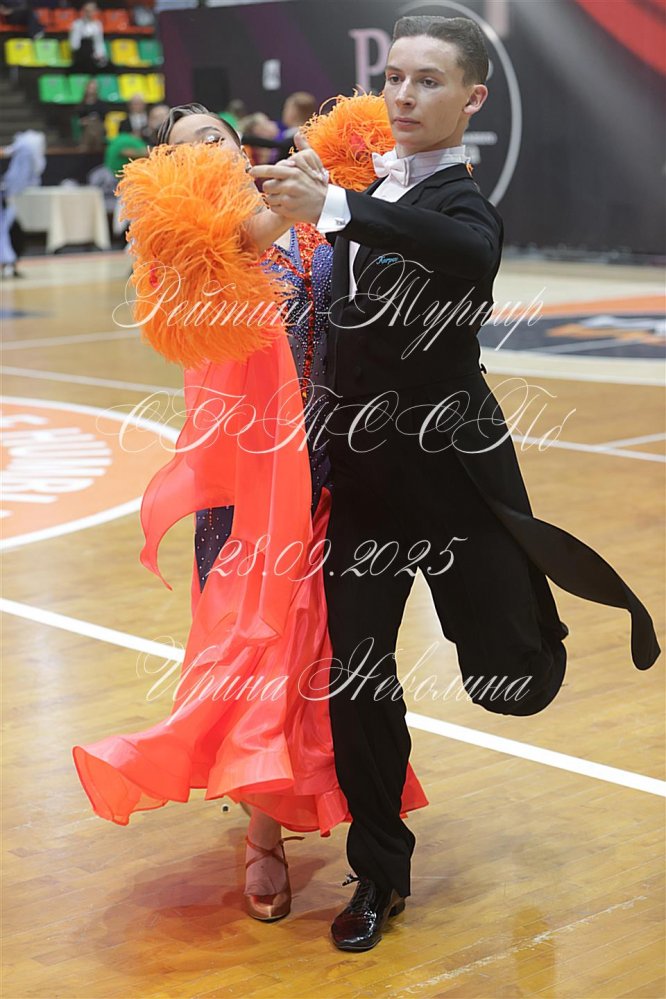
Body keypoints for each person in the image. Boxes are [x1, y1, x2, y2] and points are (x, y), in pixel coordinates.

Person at [252, 14, 661, 952]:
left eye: (428, 81)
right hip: (363, 490)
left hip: (454, 486)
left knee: (513, 678)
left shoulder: (458, 207)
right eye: (394, 77)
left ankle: (530, 630)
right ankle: (378, 875)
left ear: (473, 98)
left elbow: (467, 254)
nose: (403, 95)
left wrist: (339, 206)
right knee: (357, 684)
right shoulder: (360, 192)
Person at [72, 103, 427, 923]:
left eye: (221, 136)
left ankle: (358, 810)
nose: (215, 148)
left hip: (340, 467)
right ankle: (264, 835)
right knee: (260, 658)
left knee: (334, 653)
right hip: (248, 490)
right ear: (165, 169)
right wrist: (312, 191)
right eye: (192, 143)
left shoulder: (302, 218)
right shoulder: (178, 240)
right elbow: (238, 242)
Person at [0, 129, 46, 278]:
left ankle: (8, 263)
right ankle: (8, 262)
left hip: (9, 197)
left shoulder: (24, 151)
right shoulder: (25, 151)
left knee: (8, 231)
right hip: (10, 195)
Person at [69, 1, 107, 74]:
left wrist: (99, 55)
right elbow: (74, 45)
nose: (89, 13)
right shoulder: (77, 24)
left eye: (91, 11)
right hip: (80, 54)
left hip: (93, 55)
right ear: (83, 11)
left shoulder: (98, 24)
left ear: (95, 11)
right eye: (87, 11)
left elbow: (99, 42)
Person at [76, 79, 106, 151]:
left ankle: (85, 146)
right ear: (86, 88)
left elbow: (103, 117)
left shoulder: (101, 104)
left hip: (98, 125)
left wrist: (91, 120)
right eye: (90, 88)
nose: (92, 90)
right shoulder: (82, 103)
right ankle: (97, 147)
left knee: (92, 126)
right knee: (89, 127)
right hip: (84, 125)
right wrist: (85, 120)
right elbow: (79, 116)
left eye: (94, 88)